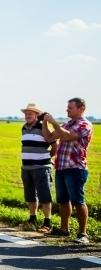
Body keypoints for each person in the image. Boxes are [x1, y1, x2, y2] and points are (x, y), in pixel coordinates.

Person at [41, 98, 93, 244]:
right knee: (63, 200)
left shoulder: (85, 124)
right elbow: (49, 137)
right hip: (62, 167)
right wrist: (44, 123)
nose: (67, 110)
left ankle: (83, 234)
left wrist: (53, 122)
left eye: (70, 108)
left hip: (76, 168)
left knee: (78, 201)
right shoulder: (68, 124)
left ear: (81, 108)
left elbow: (66, 136)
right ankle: (64, 230)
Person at [20, 103, 56, 233]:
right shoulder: (24, 128)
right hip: (26, 167)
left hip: (41, 167)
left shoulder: (43, 127)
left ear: (36, 115)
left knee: (44, 195)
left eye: (30, 114)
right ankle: (32, 218)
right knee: (30, 195)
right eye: (26, 114)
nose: (27, 116)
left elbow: (54, 145)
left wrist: (47, 158)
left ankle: (47, 222)